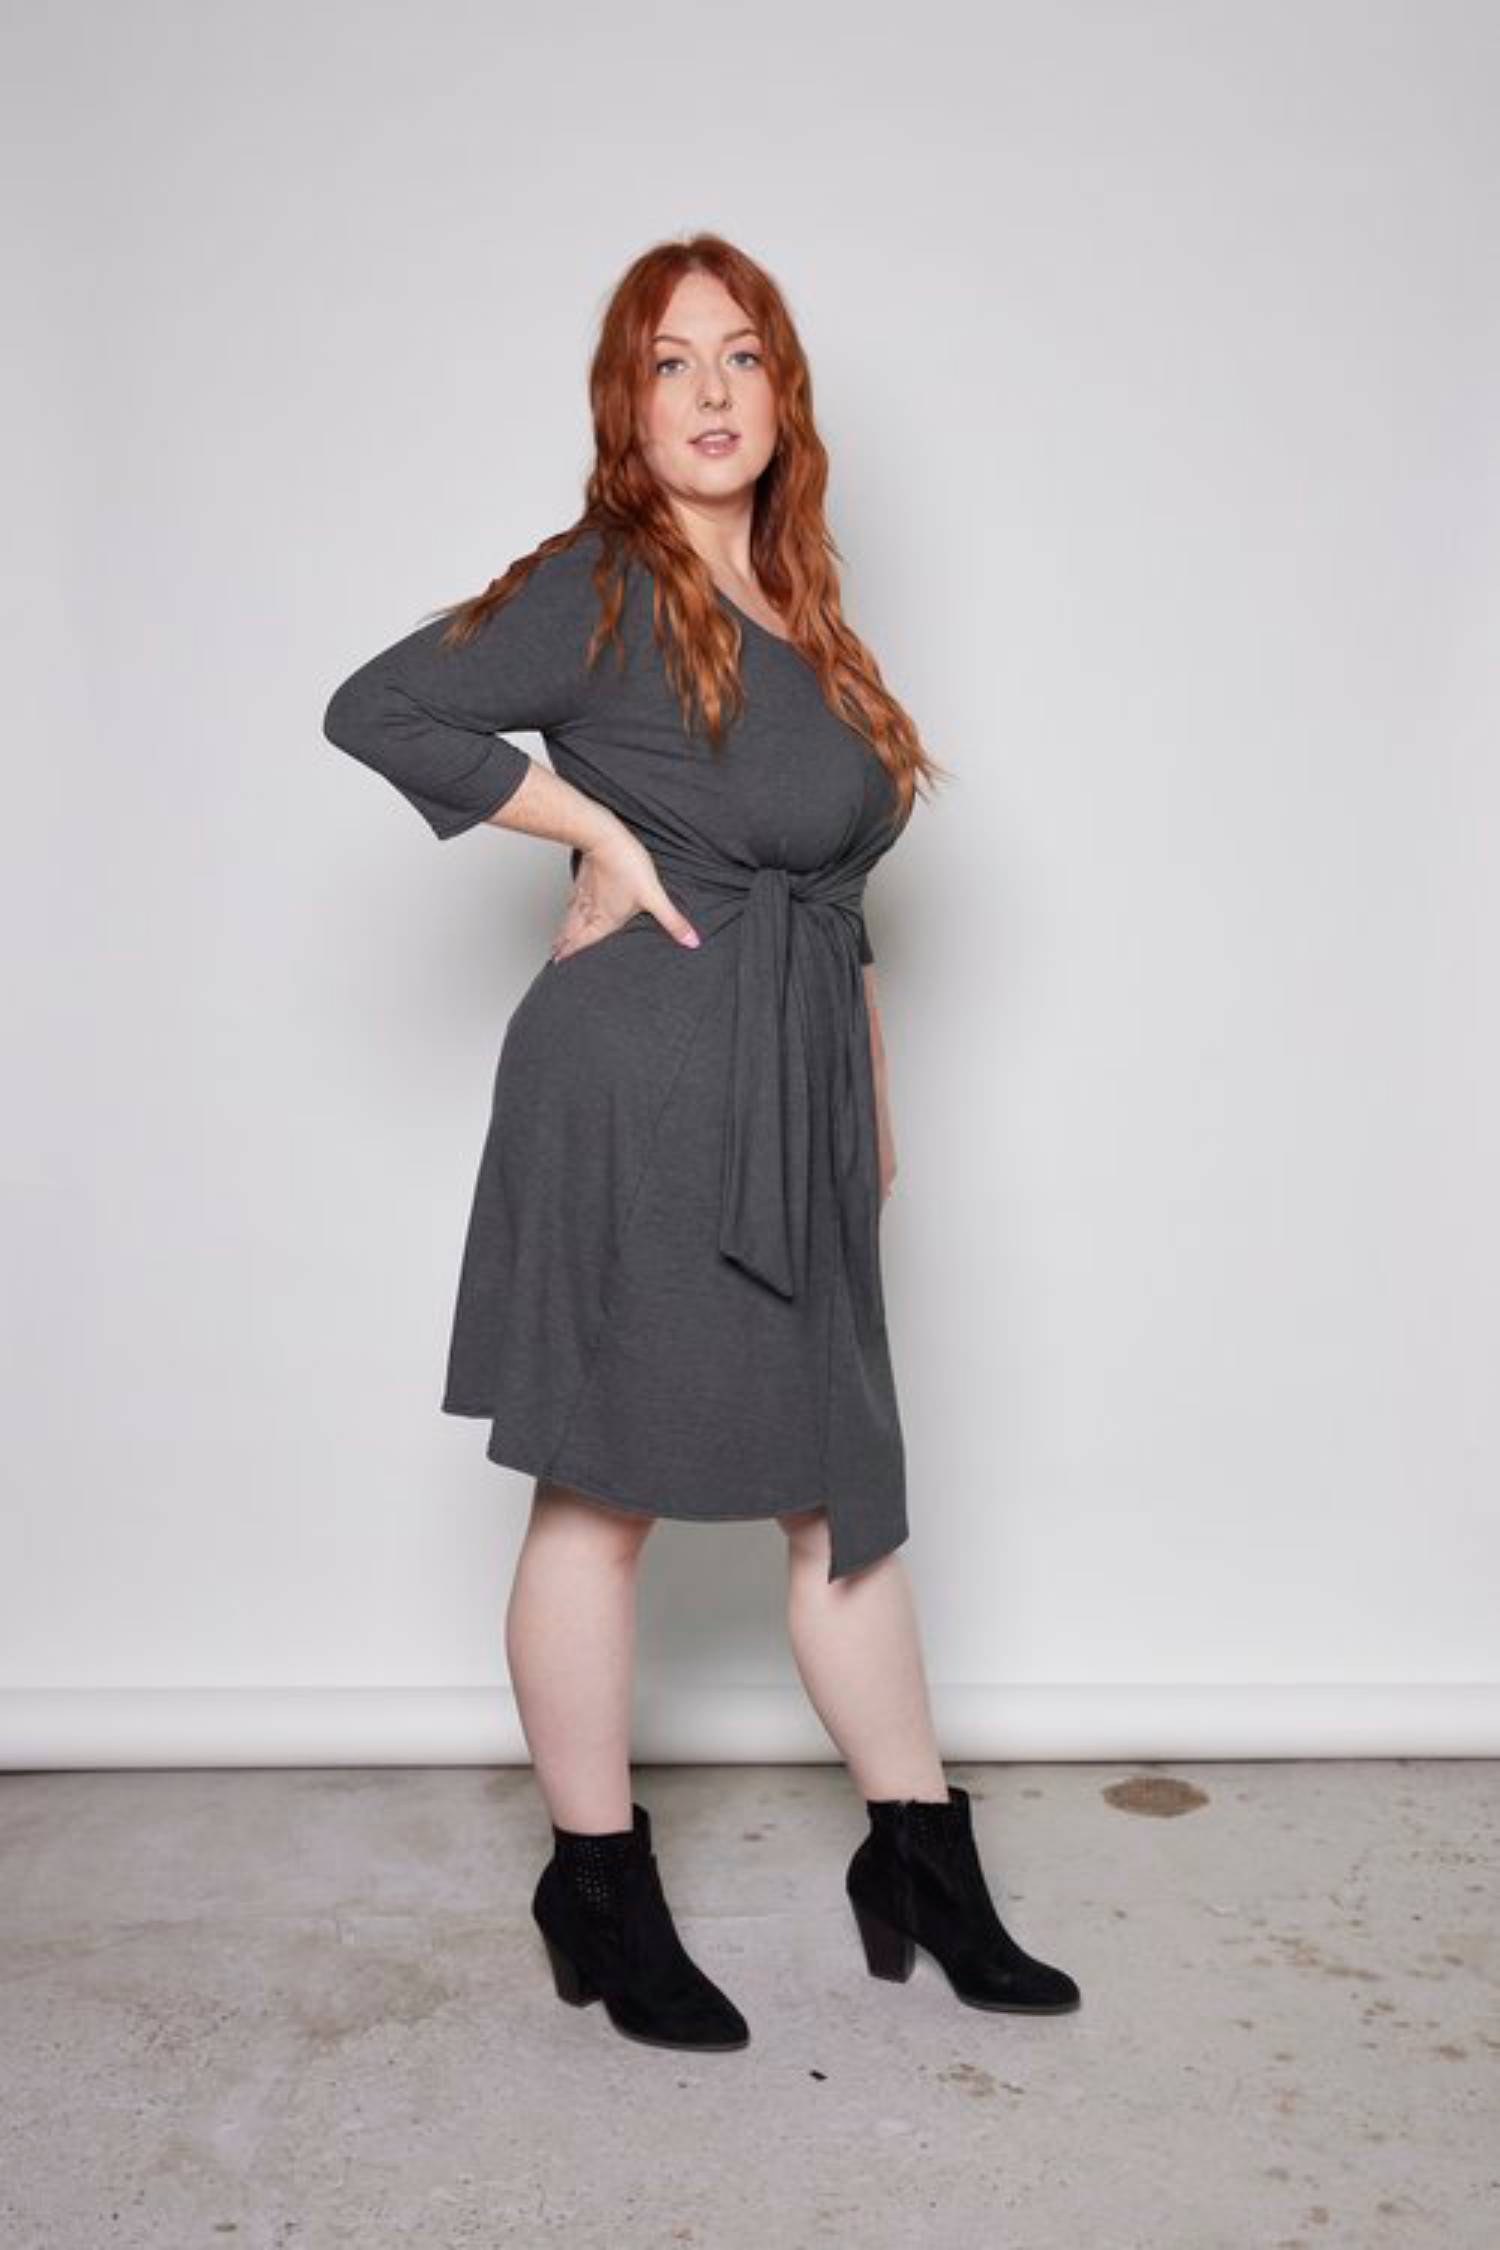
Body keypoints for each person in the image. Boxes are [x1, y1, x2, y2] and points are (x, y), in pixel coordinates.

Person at [322, 233, 1080, 2052]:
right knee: (605, 1487)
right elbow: (381, 706)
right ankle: (597, 1884)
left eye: (743, 355)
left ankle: (920, 1855)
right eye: (672, 362)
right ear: (628, 402)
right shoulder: (600, 585)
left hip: (800, 1091)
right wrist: (593, 827)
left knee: (844, 1488)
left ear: (783, 393)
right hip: (640, 1082)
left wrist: (872, 1118)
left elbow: (835, 895)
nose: (714, 391)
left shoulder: (814, 619)